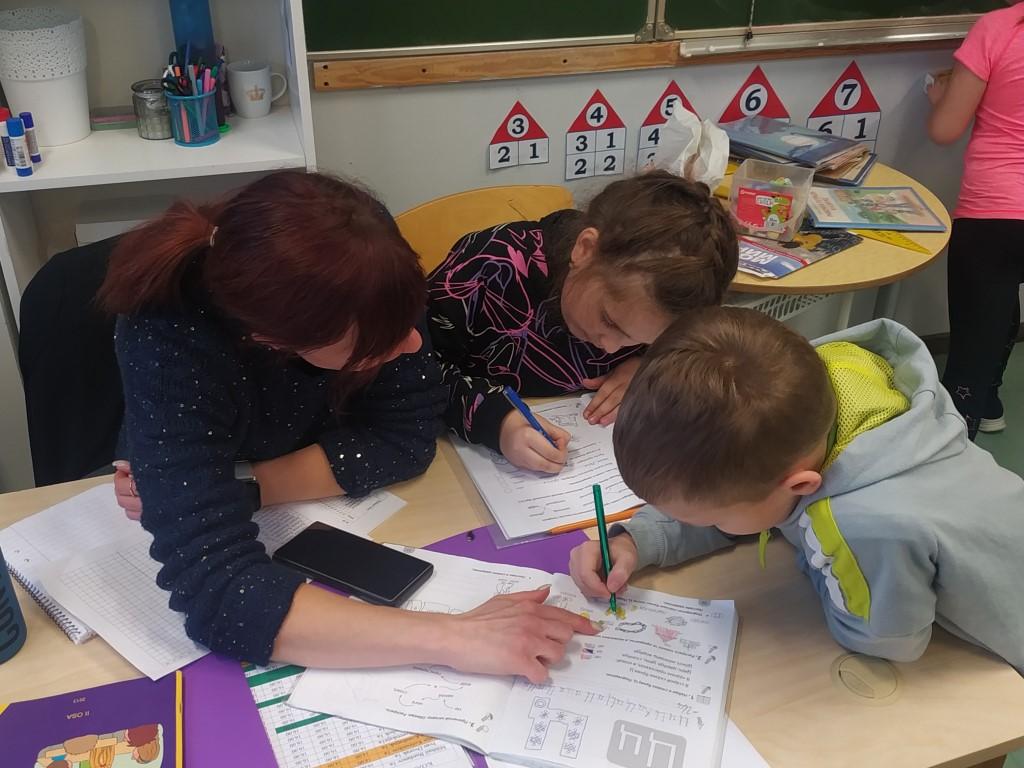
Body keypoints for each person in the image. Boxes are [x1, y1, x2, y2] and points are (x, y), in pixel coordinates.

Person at [102, 171, 596, 681]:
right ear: (277, 341)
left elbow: (407, 434)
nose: (413, 345)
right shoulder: (169, 339)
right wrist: (455, 637)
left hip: (270, 471)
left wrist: (238, 487)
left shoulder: (361, 246)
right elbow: (222, 596)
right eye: (375, 342)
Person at [569, 307, 1024, 673]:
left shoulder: (864, 525)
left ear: (802, 486)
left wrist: (816, 553)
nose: (708, 524)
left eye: (713, 518)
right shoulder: (818, 384)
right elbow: (732, 490)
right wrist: (637, 541)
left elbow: (887, 641)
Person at [426, 171, 738, 473]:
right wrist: (497, 422)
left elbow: (691, 354)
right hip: (462, 464)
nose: (610, 347)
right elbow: (417, 375)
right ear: (585, 250)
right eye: (610, 321)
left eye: (640, 340)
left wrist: (646, 365)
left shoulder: (660, 311)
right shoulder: (487, 267)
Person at [926, 1, 1024, 438]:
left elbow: (944, 130)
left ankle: (957, 430)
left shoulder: (999, 29)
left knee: (977, 329)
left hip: (996, 213)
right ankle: (989, 400)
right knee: (1003, 298)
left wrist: (940, 99)